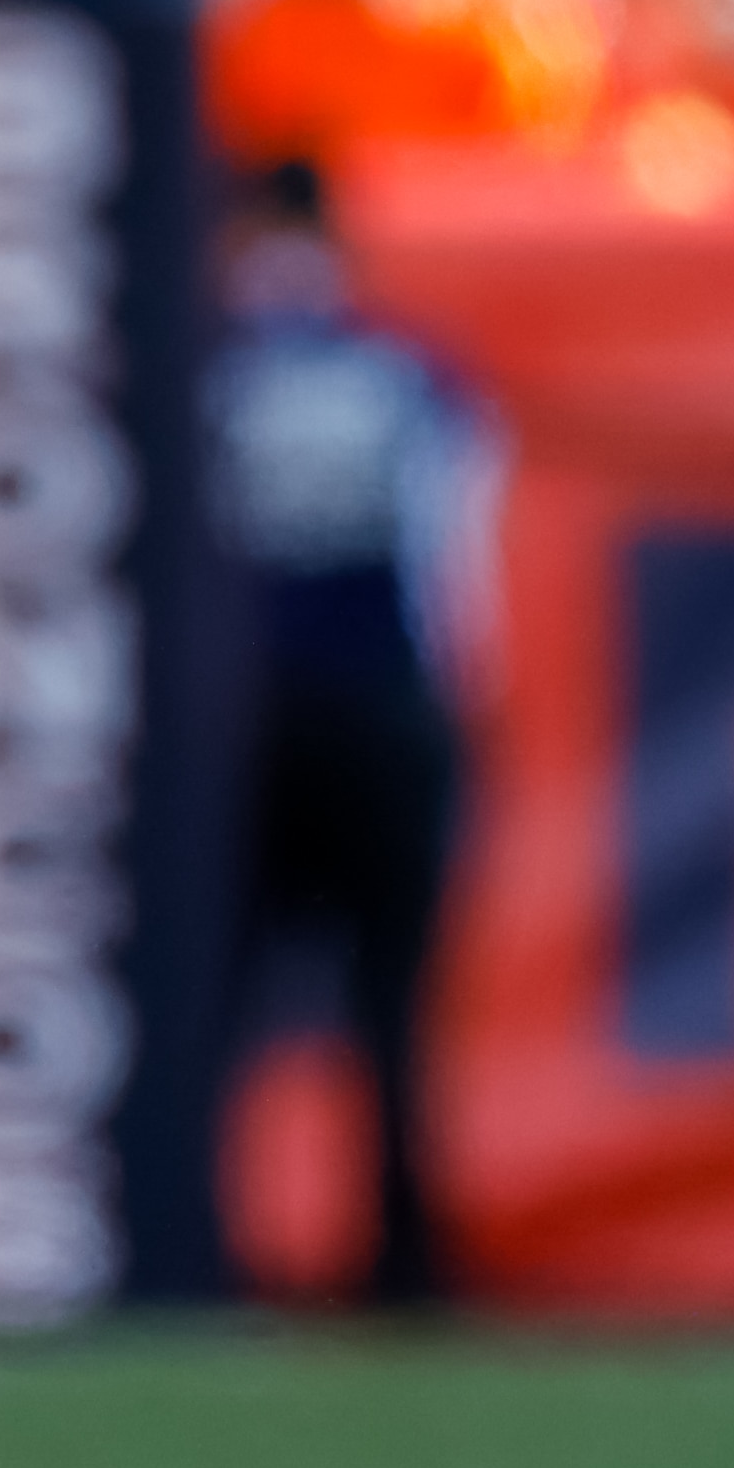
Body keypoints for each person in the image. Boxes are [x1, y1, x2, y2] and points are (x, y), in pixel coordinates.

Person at [208, 160, 485, 1304]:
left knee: (256, 999)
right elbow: (459, 568)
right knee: (368, 1003)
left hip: (270, 714)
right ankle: (395, 1261)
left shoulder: (212, 373)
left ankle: (215, 1249)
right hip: (357, 706)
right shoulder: (409, 374)